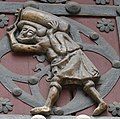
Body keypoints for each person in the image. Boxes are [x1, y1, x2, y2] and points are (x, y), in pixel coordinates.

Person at [7, 7, 107, 116]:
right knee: (86, 82)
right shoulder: (44, 43)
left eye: (29, 31)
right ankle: (101, 102)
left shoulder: (49, 40)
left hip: (71, 59)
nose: (25, 33)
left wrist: (50, 34)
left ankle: (47, 107)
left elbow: (61, 50)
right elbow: (17, 47)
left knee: (57, 80)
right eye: (24, 30)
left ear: (38, 32)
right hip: (69, 59)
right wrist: (12, 34)